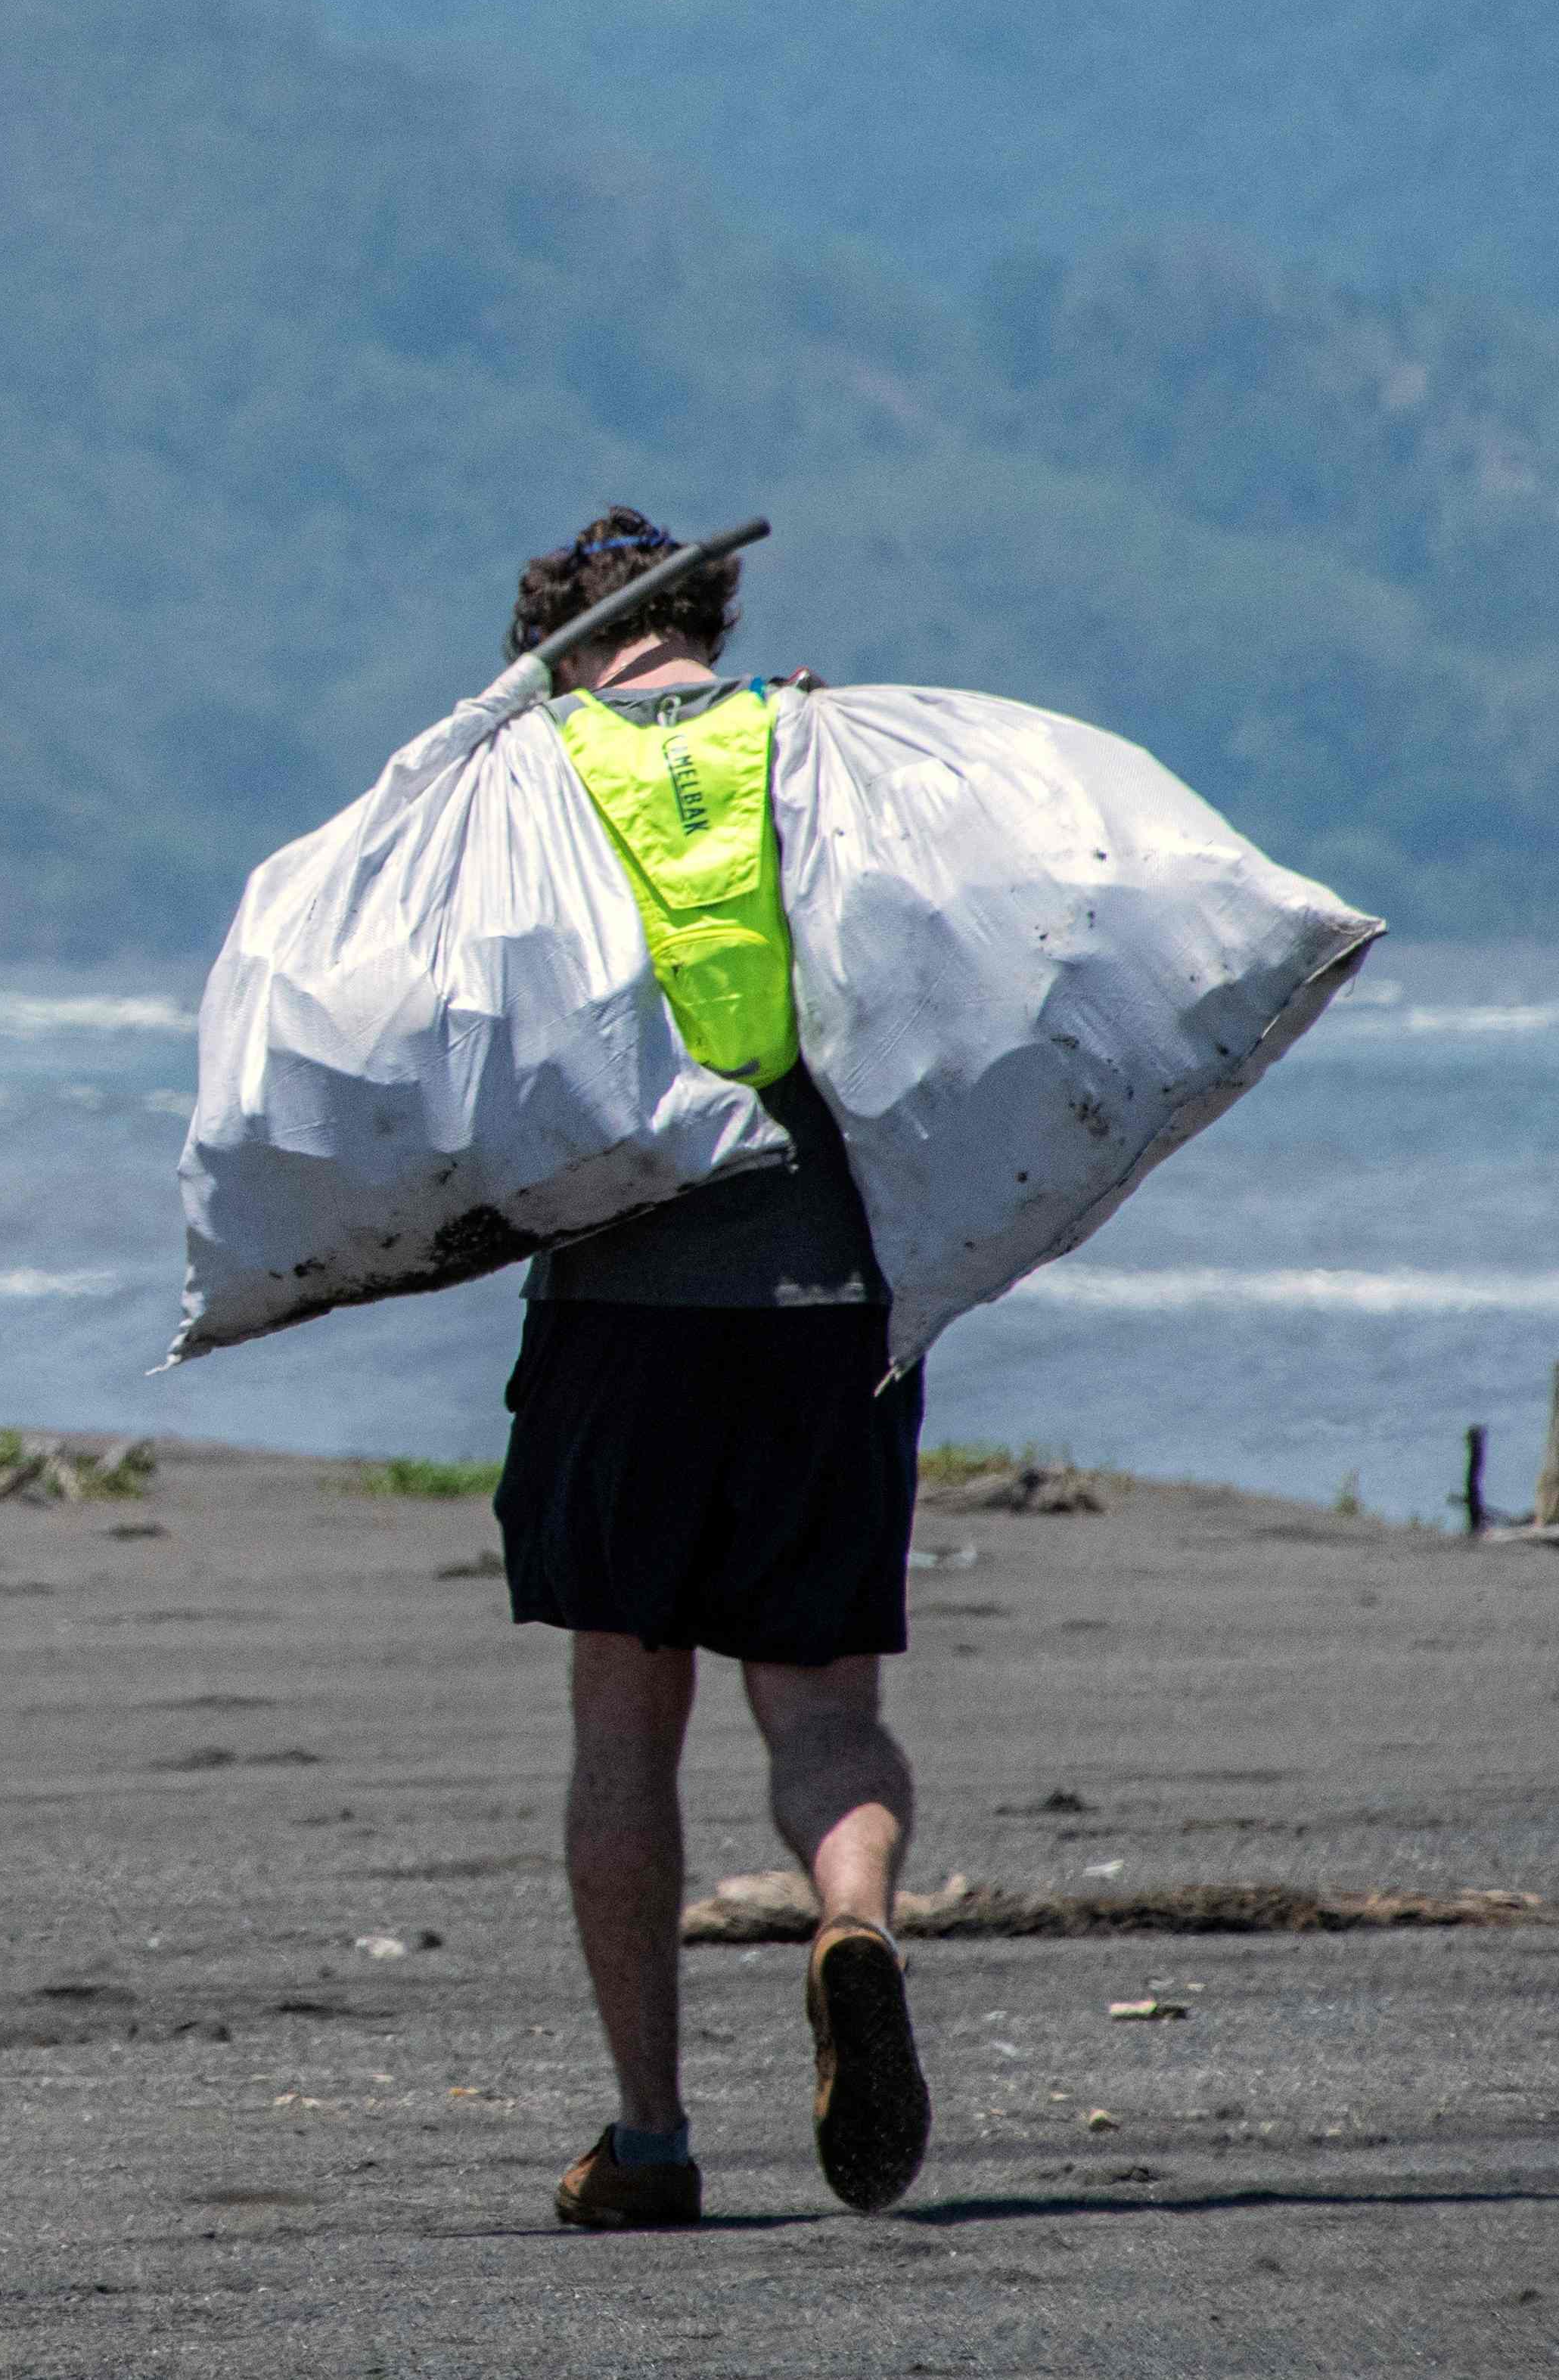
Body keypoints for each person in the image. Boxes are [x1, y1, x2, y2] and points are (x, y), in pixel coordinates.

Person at [493, 507, 932, 2230]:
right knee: (822, 1709)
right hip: (828, 1299)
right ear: (708, 613)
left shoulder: (526, 781)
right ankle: (850, 1925)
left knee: (624, 1717)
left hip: (620, 1310)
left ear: (556, 644)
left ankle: (653, 2137)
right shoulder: (811, 744)